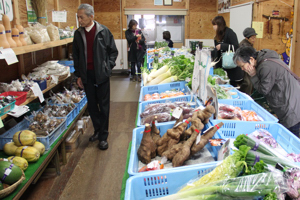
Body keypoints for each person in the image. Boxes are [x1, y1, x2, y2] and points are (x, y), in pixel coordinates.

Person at [73, 4, 118, 150]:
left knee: (103, 106)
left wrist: (108, 67)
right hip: (87, 75)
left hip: (101, 74)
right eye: (78, 17)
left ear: (91, 16)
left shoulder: (104, 31)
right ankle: (97, 131)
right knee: (92, 106)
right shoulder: (78, 34)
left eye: (82, 17)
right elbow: (76, 55)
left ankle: (104, 137)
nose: (79, 20)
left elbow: (113, 51)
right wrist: (79, 75)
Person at [233, 46, 300, 137]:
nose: (242, 69)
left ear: (251, 59)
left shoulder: (266, 67)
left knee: (290, 138)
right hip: (290, 102)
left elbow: (264, 90)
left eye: (242, 66)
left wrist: (253, 75)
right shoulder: (265, 59)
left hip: (290, 108)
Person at [211, 16, 244, 87]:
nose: (213, 27)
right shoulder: (217, 36)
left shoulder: (230, 33)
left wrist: (223, 46)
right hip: (223, 67)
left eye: (215, 25)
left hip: (232, 67)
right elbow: (217, 51)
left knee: (232, 86)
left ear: (219, 25)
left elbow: (236, 47)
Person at [238, 27, 258, 95]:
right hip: (245, 68)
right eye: (252, 38)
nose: (254, 39)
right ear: (247, 38)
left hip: (247, 67)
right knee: (247, 83)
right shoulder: (244, 45)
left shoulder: (248, 44)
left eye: (255, 37)